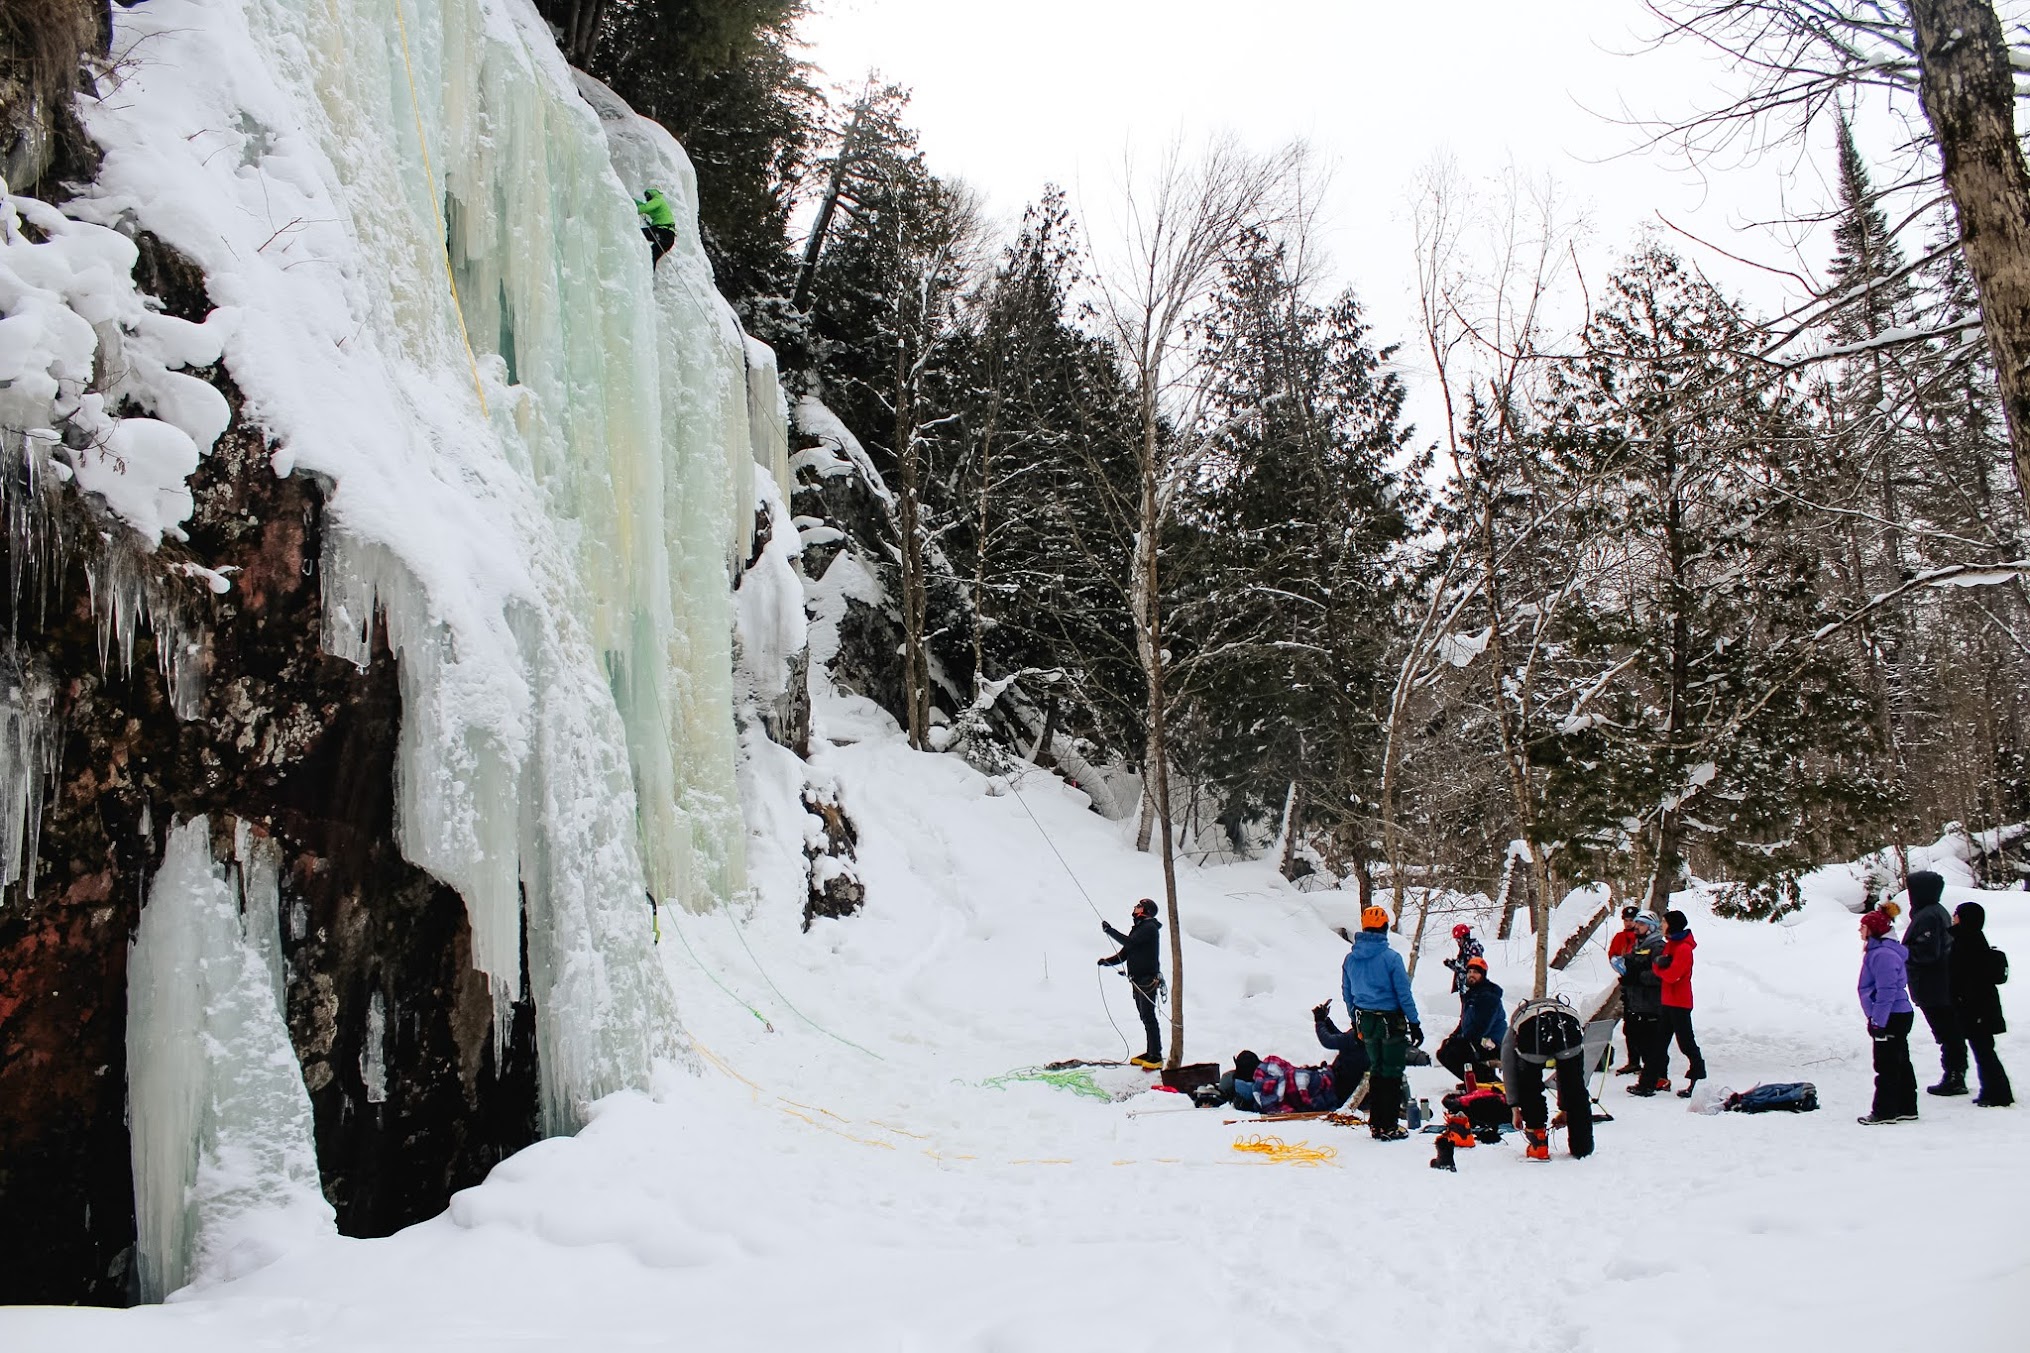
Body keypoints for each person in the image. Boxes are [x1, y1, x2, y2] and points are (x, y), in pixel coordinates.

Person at [1341, 904, 1421, 1141]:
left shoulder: (1351, 959)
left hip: (1365, 1021)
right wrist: (1414, 1022)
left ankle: (1376, 1124)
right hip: (1389, 1021)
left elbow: (1348, 993)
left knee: (1376, 1070)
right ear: (1385, 928)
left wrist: (1354, 1020)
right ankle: (1388, 1125)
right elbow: (1403, 993)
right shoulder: (1391, 958)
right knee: (1392, 1072)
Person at [1500, 998, 1594, 1160]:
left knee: (1530, 1086)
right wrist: (1566, 1109)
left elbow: (1509, 1067)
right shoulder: (1567, 1012)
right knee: (1575, 1086)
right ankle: (1582, 1146)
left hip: (1533, 1030)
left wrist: (1515, 1107)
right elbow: (1574, 1077)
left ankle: (1538, 1144)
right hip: (1568, 1027)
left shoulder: (1517, 1023)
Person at [1903, 871, 1968, 1097]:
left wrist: (1902, 954)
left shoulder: (1929, 915)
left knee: (1947, 1032)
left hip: (1934, 985)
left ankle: (1954, 1075)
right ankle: (1955, 1073)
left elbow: (1927, 952)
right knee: (1949, 1032)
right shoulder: (1931, 912)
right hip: (1936, 983)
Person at [1857, 907, 1918, 1125]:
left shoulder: (1882, 954)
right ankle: (1906, 1107)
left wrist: (1878, 1021)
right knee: (1900, 1061)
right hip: (1895, 1014)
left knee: (1887, 1065)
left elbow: (1886, 990)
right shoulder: (1882, 951)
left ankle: (1885, 1111)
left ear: (1873, 929)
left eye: (1863, 926)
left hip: (1891, 1015)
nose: (1859, 930)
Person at [1950, 901, 2013, 1107]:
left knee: (1984, 1050)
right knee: (1983, 1049)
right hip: (1980, 1004)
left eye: (1956, 914)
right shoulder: (1973, 938)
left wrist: (1960, 999)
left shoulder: (1966, 941)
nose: (1953, 917)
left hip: (1976, 1006)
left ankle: (1998, 1093)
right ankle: (1992, 1090)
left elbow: (1965, 976)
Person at [1099, 898, 1163, 1069]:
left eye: (1139, 906)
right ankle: (1151, 1052)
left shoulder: (1149, 928)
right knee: (1145, 1017)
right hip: (1138, 980)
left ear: (1146, 911)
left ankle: (1156, 1056)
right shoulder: (1139, 929)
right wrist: (1107, 962)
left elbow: (1130, 943)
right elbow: (1125, 952)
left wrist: (1110, 931)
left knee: (1149, 1017)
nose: (1135, 908)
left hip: (1147, 980)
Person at [1652, 908, 1707, 1098]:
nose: (1662, 926)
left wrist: (1658, 968)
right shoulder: (1672, 944)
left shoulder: (1683, 948)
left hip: (1680, 1003)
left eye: (1664, 922)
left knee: (1686, 1043)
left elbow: (1672, 975)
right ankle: (1658, 1078)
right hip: (1668, 1001)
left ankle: (1698, 1079)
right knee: (1659, 1043)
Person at [1619, 912, 1672, 1097]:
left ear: (1650, 927)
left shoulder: (1658, 946)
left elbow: (1660, 974)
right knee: (1635, 1036)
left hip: (1652, 1003)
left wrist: (1638, 977)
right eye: (1637, 924)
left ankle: (1658, 1077)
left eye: (1641, 924)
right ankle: (1652, 1075)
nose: (1636, 927)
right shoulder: (1638, 945)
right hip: (1636, 1001)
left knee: (1652, 1042)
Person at [1435, 956, 1506, 1085]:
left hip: (1492, 1043)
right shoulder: (1471, 995)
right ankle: (1473, 1081)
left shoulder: (1488, 997)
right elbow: (1464, 1022)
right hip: (1477, 1040)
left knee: (1453, 1052)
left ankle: (1488, 1081)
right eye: (1469, 972)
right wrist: (1454, 1036)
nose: (1471, 975)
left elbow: (1481, 1028)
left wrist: (1461, 1039)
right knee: (1445, 1050)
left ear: (1483, 975)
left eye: (1476, 972)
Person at [1311, 1000, 1371, 1105]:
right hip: (1346, 1085)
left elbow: (1328, 1041)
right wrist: (1326, 1021)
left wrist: (1319, 1021)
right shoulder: (1368, 1037)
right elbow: (1341, 1038)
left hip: (1338, 1088)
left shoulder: (1358, 1038)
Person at [1607, 905, 1642, 1073]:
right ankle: (1633, 1060)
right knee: (1629, 1025)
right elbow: (1612, 954)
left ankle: (1644, 1060)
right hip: (1627, 985)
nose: (1628, 923)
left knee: (1641, 1026)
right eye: (1626, 920)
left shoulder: (1641, 937)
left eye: (1631, 920)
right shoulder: (1620, 937)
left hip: (1641, 987)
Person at [636, 187, 677, 265]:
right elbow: (644, 205)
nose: (647, 198)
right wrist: (632, 201)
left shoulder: (658, 200)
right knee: (651, 257)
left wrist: (630, 206)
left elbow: (644, 208)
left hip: (663, 232)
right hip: (668, 237)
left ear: (653, 194)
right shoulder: (659, 204)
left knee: (636, 232)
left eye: (648, 196)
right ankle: (648, 276)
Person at [1442, 923, 1485, 994]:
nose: (1458, 942)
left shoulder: (1473, 949)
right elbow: (1462, 965)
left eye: (1458, 940)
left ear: (1465, 937)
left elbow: (1471, 970)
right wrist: (1451, 964)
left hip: (1471, 991)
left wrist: (1454, 966)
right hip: (1464, 989)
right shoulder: (1465, 948)